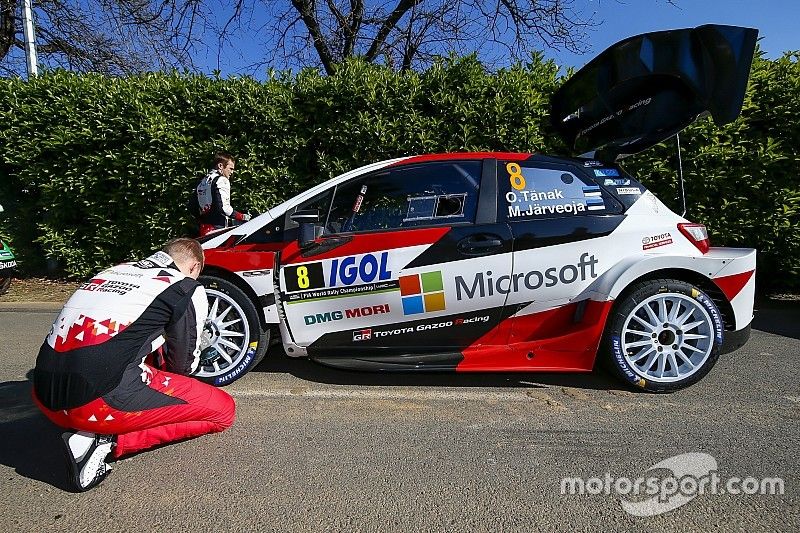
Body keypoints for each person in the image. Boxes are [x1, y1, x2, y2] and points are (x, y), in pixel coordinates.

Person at [32, 238, 235, 491]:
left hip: (44, 398)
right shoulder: (186, 287)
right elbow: (182, 366)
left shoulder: (112, 271)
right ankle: (105, 441)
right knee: (223, 411)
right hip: (94, 407)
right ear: (194, 268)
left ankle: (93, 426)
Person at [195, 151, 250, 236]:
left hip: (204, 228)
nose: (232, 172)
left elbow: (192, 206)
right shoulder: (222, 180)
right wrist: (243, 217)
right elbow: (224, 208)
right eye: (230, 168)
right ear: (220, 166)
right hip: (217, 228)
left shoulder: (203, 181)